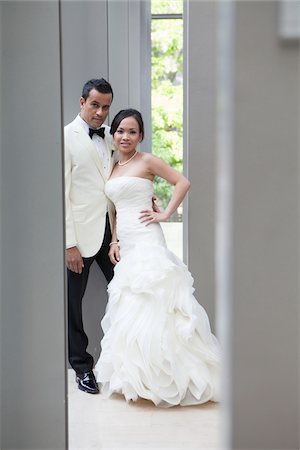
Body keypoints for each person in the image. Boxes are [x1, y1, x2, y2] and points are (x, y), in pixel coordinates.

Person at [95, 109, 220, 407]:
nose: (125, 136)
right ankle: (138, 381)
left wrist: (164, 213)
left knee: (154, 304)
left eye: (132, 132)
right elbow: (113, 207)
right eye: (121, 131)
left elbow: (182, 182)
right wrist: (113, 239)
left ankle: (166, 379)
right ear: (114, 134)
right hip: (125, 243)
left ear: (140, 136)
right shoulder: (112, 165)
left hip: (147, 239)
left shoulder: (147, 161)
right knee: (130, 306)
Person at [64, 78, 116, 394]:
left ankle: (126, 360)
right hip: (80, 237)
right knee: (74, 305)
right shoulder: (65, 137)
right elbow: (62, 193)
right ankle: (82, 368)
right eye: (95, 104)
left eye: (106, 107)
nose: (100, 113)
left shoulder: (112, 136)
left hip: (112, 234)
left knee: (129, 292)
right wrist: (69, 243)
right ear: (82, 102)